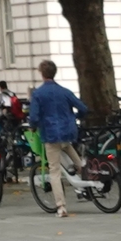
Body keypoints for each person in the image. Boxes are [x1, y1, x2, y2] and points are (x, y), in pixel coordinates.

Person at [28, 58, 86, 217]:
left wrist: (33, 126)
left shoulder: (38, 94)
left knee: (54, 171)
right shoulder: (65, 91)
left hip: (51, 134)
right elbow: (83, 108)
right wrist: (75, 117)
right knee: (70, 151)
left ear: (42, 74)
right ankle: (86, 175)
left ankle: (61, 206)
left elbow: (33, 116)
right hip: (68, 131)